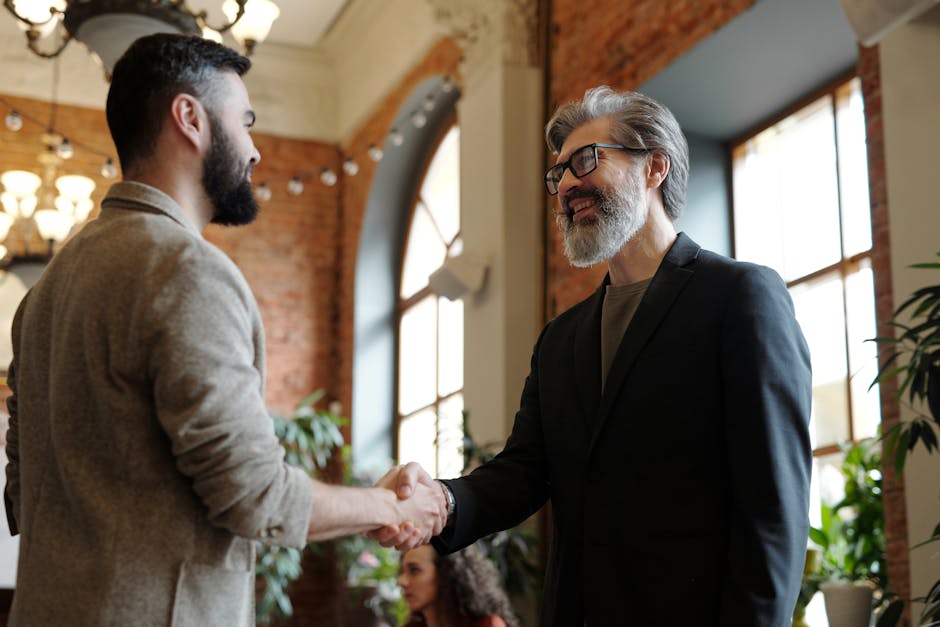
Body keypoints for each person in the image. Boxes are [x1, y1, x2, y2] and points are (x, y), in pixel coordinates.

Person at [3, 33, 444, 626]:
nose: (255, 152)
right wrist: (388, 504)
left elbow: (22, 495)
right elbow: (255, 497)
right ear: (190, 118)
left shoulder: (44, 294)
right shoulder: (186, 271)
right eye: (246, 122)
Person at [377, 86, 813, 626]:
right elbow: (522, 473)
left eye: (585, 161)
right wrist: (441, 500)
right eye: (558, 175)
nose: (566, 188)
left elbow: (774, 510)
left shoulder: (741, 296)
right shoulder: (560, 339)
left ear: (654, 167)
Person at [398, 544, 518, 627]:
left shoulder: (487, 625)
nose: (401, 581)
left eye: (414, 570)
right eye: (401, 571)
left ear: (445, 574)